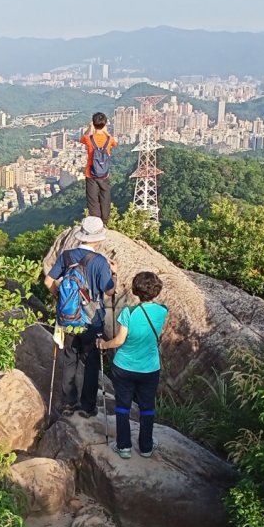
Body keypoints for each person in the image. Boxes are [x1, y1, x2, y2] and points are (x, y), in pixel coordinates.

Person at [43, 216, 116, 419]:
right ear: (98, 238)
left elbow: (48, 281)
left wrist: (61, 299)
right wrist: (114, 274)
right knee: (91, 362)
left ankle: (68, 403)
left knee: (69, 359)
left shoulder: (66, 256)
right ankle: (87, 406)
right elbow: (109, 291)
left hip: (68, 318)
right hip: (92, 320)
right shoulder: (100, 261)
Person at [97, 271, 168, 459]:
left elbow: (119, 341)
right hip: (150, 368)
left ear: (136, 290)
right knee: (147, 407)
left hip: (124, 367)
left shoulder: (128, 312)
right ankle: (146, 447)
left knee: (123, 406)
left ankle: (124, 447)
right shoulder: (163, 311)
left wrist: (104, 344)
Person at [80, 112, 118, 224]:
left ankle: (96, 222)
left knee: (93, 199)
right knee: (105, 197)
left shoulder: (89, 138)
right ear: (105, 124)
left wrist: (89, 128)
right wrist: (105, 131)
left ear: (93, 123)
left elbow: (82, 139)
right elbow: (116, 143)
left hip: (90, 173)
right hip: (104, 174)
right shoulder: (109, 139)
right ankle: (105, 221)